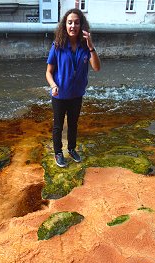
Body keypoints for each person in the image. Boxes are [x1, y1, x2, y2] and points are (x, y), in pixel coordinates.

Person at [46, 8, 101, 168]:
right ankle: (58, 152)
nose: (73, 26)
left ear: (81, 26)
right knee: (58, 125)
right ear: (65, 25)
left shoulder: (85, 47)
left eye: (76, 23)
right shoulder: (58, 45)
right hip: (59, 95)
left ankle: (71, 149)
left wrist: (91, 46)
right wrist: (53, 85)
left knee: (73, 124)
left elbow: (97, 68)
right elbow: (48, 72)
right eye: (70, 22)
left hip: (77, 94)